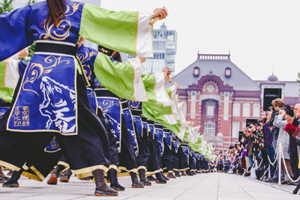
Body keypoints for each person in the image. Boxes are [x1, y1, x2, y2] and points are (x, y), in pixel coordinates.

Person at [0, 0, 167, 196]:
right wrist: (148, 16)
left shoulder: (33, 9)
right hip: (65, 75)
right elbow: (110, 20)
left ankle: (15, 176)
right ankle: (100, 183)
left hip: (37, 73)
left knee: (17, 124)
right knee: (86, 128)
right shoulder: (77, 10)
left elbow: (7, 24)